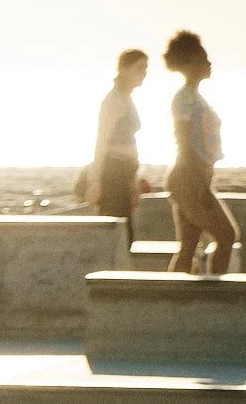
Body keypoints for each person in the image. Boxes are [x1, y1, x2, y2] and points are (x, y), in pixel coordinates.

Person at [163, 31, 236, 276]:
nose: (210, 63)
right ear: (193, 61)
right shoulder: (184, 98)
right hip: (188, 179)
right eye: (205, 58)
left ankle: (174, 306)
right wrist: (199, 186)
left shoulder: (194, 97)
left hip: (193, 178)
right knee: (227, 236)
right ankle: (216, 300)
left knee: (188, 249)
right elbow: (183, 142)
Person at [88, 49, 149, 229]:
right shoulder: (113, 100)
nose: (144, 72)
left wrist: (136, 177)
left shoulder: (126, 98)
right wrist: (95, 182)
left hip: (126, 171)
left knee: (126, 229)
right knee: (116, 230)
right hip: (114, 172)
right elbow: (101, 140)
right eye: (139, 68)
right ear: (124, 69)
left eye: (145, 68)